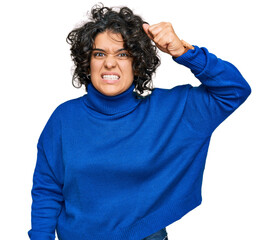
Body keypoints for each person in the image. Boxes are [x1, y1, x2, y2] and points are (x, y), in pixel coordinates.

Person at [28, 3, 251, 240]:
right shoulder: (64, 118)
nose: (110, 63)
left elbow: (234, 90)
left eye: (122, 54)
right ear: (87, 62)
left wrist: (184, 52)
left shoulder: (172, 111)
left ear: (137, 63)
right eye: (99, 54)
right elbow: (47, 189)